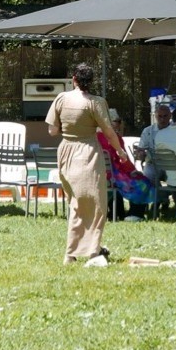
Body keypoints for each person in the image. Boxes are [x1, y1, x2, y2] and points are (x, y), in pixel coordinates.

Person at [46, 62, 125, 266]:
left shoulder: (61, 98)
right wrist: (120, 150)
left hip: (65, 152)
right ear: (91, 82)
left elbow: (52, 131)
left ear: (73, 79)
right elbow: (108, 131)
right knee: (97, 204)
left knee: (76, 203)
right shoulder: (96, 102)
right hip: (87, 153)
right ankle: (90, 252)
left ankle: (73, 254)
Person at [135, 102, 173, 187]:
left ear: (170, 116)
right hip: (153, 164)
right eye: (160, 116)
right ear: (155, 116)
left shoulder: (175, 130)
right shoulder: (148, 131)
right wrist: (140, 153)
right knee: (148, 176)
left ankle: (166, 195)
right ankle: (160, 197)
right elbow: (140, 149)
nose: (162, 119)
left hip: (172, 165)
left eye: (165, 116)